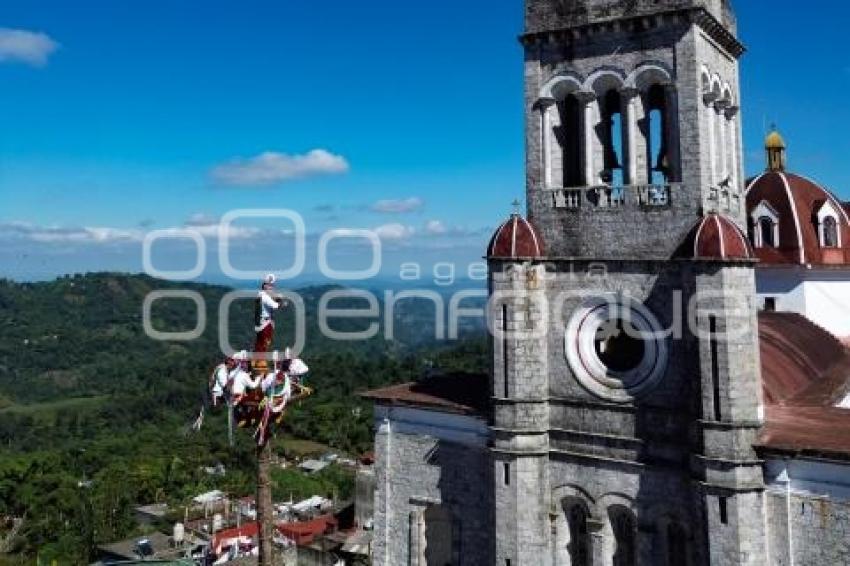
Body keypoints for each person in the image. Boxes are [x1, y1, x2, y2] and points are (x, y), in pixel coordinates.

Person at [254, 274, 287, 361]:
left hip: (260, 323)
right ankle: (260, 363)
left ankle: (257, 362)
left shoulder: (260, 295)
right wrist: (281, 302)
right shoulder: (265, 296)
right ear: (264, 286)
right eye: (269, 285)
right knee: (264, 344)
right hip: (265, 323)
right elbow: (275, 306)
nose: (271, 287)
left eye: (272, 285)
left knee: (260, 343)